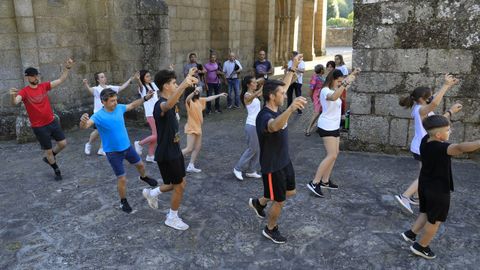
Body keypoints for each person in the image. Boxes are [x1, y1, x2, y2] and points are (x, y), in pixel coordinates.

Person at [401, 115, 480, 259]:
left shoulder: (425, 139)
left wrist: (449, 113)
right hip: (438, 190)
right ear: (439, 134)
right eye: (448, 129)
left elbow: (432, 124)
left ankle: (410, 234)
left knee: (425, 212)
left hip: (424, 185)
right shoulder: (443, 148)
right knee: (435, 220)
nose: (451, 131)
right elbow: (461, 147)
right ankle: (421, 246)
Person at [248, 54, 307, 244]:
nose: (285, 94)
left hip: (284, 160)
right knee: (280, 200)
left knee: (290, 192)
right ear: (272, 96)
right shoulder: (264, 116)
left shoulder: (275, 106)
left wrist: (293, 67)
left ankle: (260, 202)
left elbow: (285, 86)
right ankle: (270, 229)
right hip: (272, 166)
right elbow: (273, 126)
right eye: (281, 94)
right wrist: (290, 110)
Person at [79, 88, 159, 213]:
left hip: (127, 147)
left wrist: (145, 98)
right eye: (112, 101)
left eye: (116, 100)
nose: (115, 103)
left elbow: (132, 105)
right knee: (122, 178)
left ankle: (144, 177)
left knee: (141, 165)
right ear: (103, 101)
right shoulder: (98, 116)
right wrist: (82, 122)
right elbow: (86, 126)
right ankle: (123, 202)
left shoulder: (119, 108)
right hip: (113, 153)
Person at [395, 74, 462, 214]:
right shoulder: (421, 110)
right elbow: (434, 103)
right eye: (429, 96)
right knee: (426, 174)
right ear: (422, 99)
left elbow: (437, 121)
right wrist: (446, 86)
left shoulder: (421, 108)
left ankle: (416, 197)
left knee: (424, 172)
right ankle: (405, 196)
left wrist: (450, 109)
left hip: (421, 146)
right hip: (424, 147)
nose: (432, 97)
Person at [141, 68, 198, 231]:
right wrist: (183, 85)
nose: (176, 85)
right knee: (179, 186)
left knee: (177, 184)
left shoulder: (171, 101)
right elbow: (168, 104)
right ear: (166, 86)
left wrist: (186, 82)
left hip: (174, 150)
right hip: (167, 153)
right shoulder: (160, 105)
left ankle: (151, 193)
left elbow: (173, 100)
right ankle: (172, 217)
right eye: (173, 83)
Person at [10, 58, 75, 181]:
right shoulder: (24, 92)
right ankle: (56, 169)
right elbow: (15, 102)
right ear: (27, 78)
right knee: (48, 150)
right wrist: (12, 96)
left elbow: (61, 80)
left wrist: (67, 68)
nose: (35, 78)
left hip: (52, 121)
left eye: (36, 75)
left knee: (63, 143)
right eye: (33, 76)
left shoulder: (43, 86)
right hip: (39, 127)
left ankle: (49, 158)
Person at [307, 68, 360, 197]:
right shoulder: (325, 91)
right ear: (332, 80)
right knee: (331, 155)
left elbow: (342, 90)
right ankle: (315, 182)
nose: (340, 83)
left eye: (341, 81)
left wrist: (353, 75)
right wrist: (344, 84)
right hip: (327, 126)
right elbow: (334, 97)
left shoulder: (335, 88)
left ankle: (325, 181)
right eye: (338, 81)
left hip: (334, 126)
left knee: (335, 154)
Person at [83, 72, 136, 156]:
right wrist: (86, 84)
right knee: (98, 132)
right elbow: (90, 90)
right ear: (98, 80)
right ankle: (89, 143)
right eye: (102, 77)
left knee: (105, 131)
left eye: (104, 76)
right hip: (99, 115)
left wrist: (129, 80)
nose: (104, 78)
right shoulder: (96, 89)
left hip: (109, 113)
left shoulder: (110, 88)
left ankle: (101, 149)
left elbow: (121, 88)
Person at [182, 87, 228, 172]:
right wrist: (194, 91)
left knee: (197, 147)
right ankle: (172, 158)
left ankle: (191, 166)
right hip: (192, 127)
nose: (198, 92)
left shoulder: (198, 100)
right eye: (196, 91)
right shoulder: (189, 102)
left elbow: (208, 98)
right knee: (189, 148)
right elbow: (188, 98)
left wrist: (220, 94)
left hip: (198, 127)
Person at [233, 75, 264, 180]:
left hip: (257, 125)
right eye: (254, 82)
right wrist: (261, 88)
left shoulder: (255, 93)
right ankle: (237, 168)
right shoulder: (247, 95)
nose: (256, 84)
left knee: (258, 149)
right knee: (252, 149)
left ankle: (251, 170)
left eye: (256, 82)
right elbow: (254, 95)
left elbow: (262, 82)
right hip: (251, 125)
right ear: (248, 84)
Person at [134, 70, 159, 163]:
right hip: (150, 114)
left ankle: (150, 155)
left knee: (155, 135)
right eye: (147, 76)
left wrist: (170, 71)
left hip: (156, 113)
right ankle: (139, 143)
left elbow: (161, 84)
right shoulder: (142, 88)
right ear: (142, 78)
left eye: (149, 76)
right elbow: (140, 86)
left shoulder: (152, 85)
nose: (149, 77)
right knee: (157, 135)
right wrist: (138, 80)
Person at [304, 64, 325, 136]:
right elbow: (311, 90)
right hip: (317, 97)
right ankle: (308, 129)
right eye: (323, 69)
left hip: (322, 96)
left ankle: (319, 127)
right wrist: (312, 98)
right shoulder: (315, 78)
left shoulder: (321, 77)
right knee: (317, 112)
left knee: (321, 112)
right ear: (321, 70)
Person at [334, 55, 349, 123]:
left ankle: (342, 114)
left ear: (341, 59)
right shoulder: (335, 67)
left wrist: (341, 85)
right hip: (335, 86)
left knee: (342, 100)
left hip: (341, 86)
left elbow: (345, 77)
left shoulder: (343, 67)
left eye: (337, 59)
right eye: (335, 59)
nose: (336, 60)